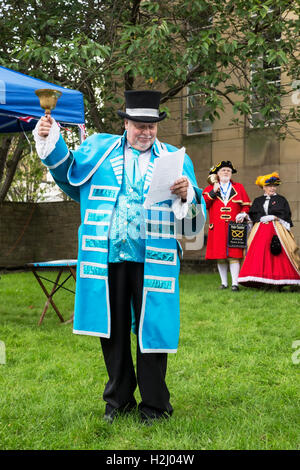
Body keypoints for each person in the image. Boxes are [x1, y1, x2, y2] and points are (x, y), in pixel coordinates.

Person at [33, 90, 206, 424]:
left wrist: (187, 195)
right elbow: (70, 176)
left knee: (151, 331)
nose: (146, 131)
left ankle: (155, 406)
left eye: (151, 126)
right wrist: (49, 139)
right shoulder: (100, 150)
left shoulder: (175, 158)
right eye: (139, 125)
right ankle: (118, 401)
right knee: (111, 332)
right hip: (107, 255)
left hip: (152, 258)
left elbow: (194, 223)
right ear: (125, 123)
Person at [238, 172, 300, 288]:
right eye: (269, 186)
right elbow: (253, 215)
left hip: (277, 230)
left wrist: (275, 217)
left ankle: (281, 280)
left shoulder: (281, 200)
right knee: (259, 254)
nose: (272, 188)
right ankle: (261, 280)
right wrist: (244, 216)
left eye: (274, 186)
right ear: (263, 187)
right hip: (260, 231)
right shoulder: (258, 200)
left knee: (280, 253)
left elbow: (286, 214)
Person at [203, 161, 251, 291]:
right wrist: (213, 192)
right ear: (217, 173)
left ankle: (235, 283)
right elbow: (204, 205)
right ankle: (224, 283)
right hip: (217, 227)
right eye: (223, 170)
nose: (226, 172)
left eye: (228, 171)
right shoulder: (209, 189)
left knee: (234, 255)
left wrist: (243, 213)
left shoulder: (239, 187)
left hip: (235, 227)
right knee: (220, 256)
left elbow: (246, 205)